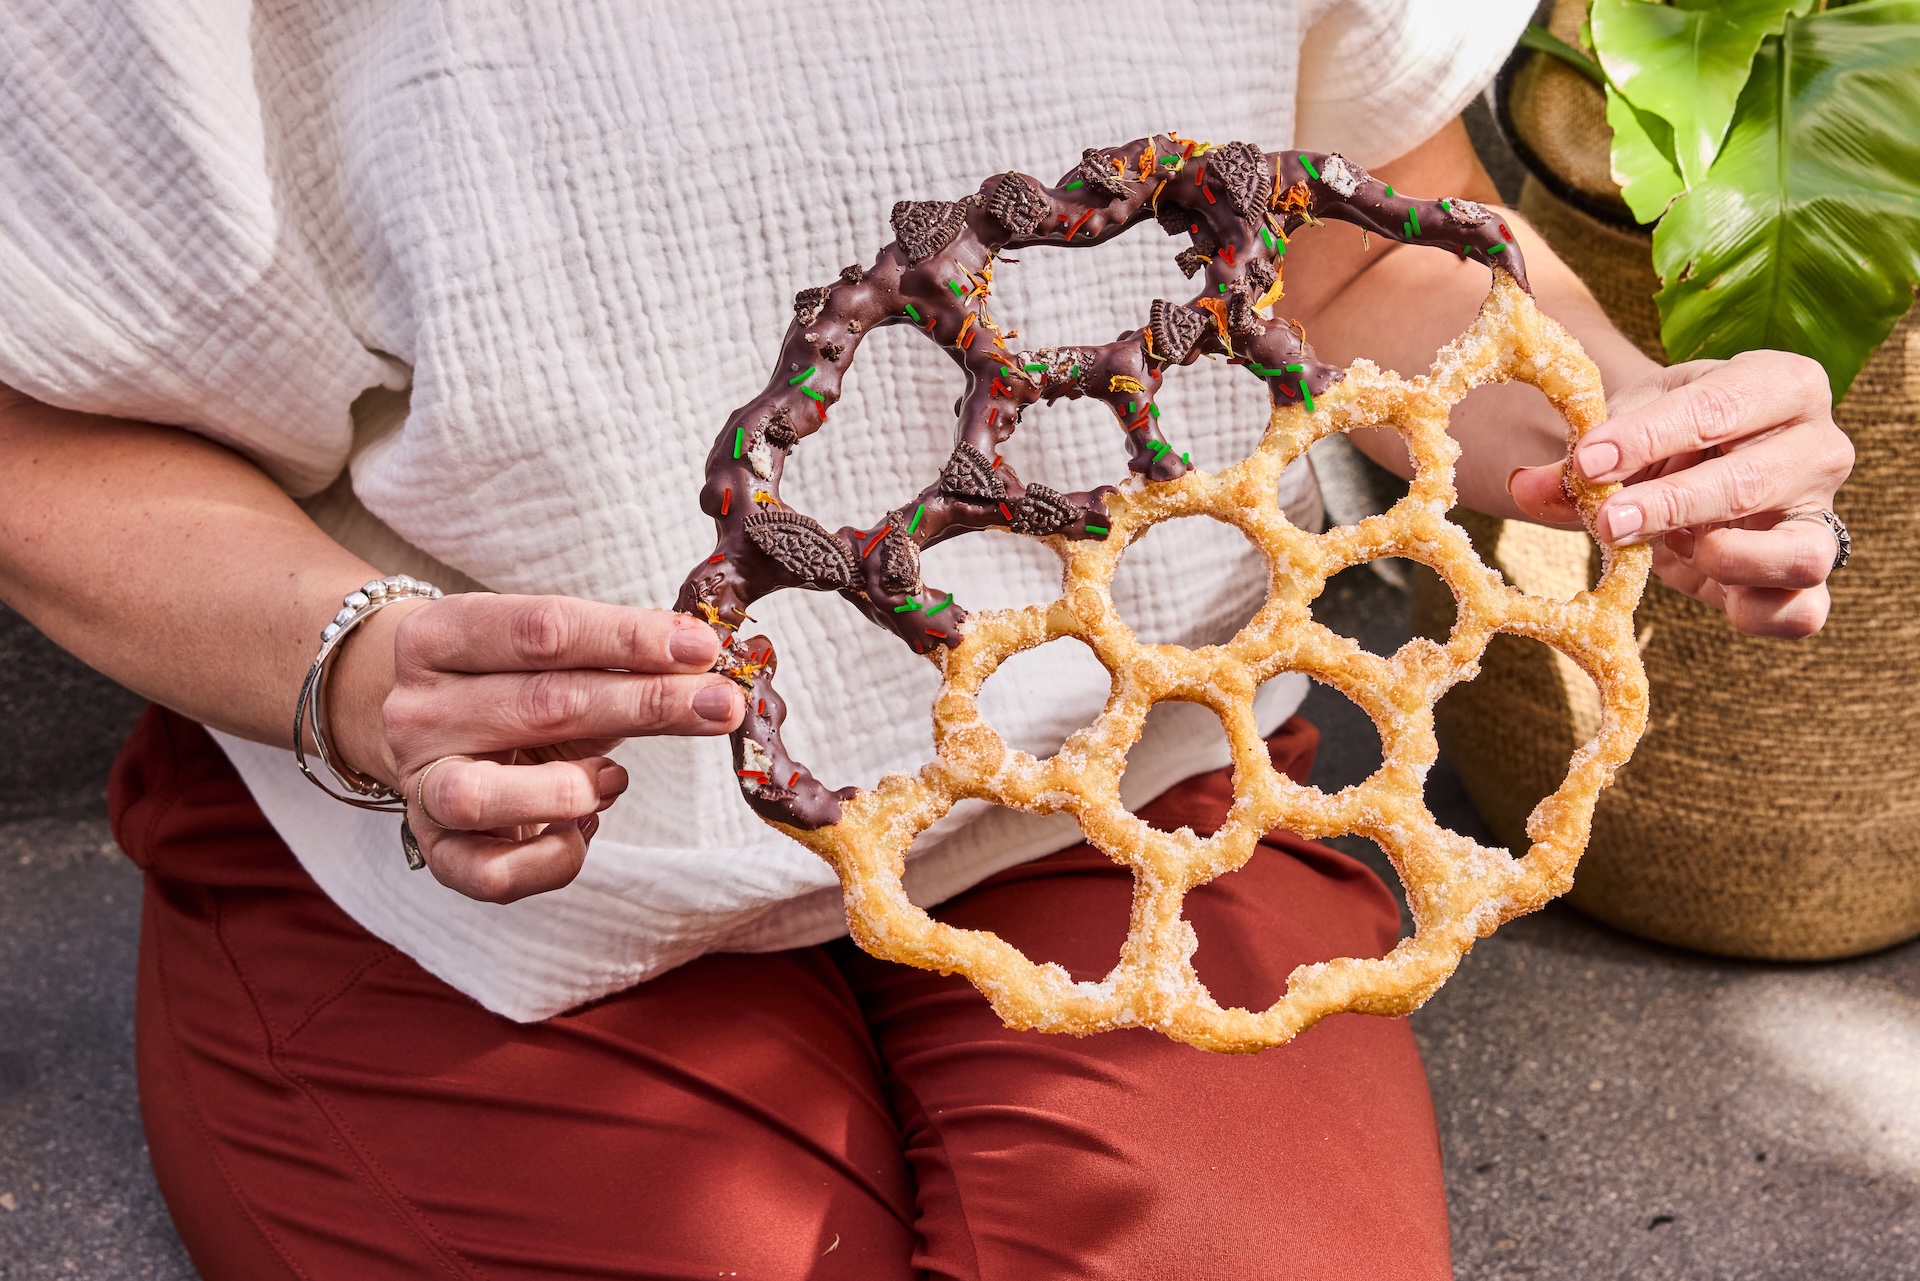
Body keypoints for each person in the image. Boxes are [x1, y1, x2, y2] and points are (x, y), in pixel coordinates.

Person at [0, 3, 1852, 1278]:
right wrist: (341, 666)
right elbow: (43, 422)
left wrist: (1631, 434)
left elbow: (1345, 231)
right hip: (493, 843)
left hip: (1133, 765)